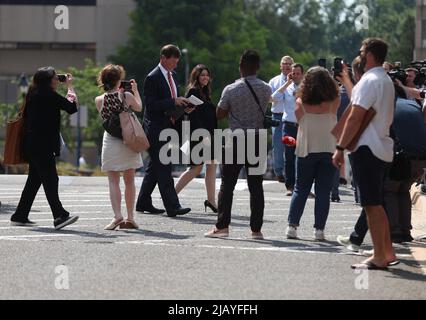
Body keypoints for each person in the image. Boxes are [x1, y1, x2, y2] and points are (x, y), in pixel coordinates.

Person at [332, 38, 397, 270]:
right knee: (376, 203)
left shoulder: (370, 80)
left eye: (362, 52)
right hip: (382, 146)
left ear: (369, 54)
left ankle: (380, 255)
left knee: (371, 205)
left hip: (366, 147)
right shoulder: (385, 79)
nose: (359, 55)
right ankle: (386, 251)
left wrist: (340, 147)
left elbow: (355, 116)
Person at [205, 49, 272, 239]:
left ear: (241, 67)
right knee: (256, 186)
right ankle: (256, 230)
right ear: (258, 67)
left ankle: (222, 226)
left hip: (235, 139)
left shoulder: (231, 89)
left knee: (228, 186)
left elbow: (219, 113)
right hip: (257, 139)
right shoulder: (266, 88)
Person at [10, 67, 79, 230]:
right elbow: (72, 108)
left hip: (32, 144)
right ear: (49, 81)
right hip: (42, 146)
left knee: (34, 180)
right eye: (55, 78)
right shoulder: (49, 95)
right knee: (50, 179)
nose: (58, 80)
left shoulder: (33, 93)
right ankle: (59, 215)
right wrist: (70, 86)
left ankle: (20, 214)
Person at [135, 44, 191, 217]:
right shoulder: (152, 77)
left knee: (155, 167)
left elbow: (174, 100)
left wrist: (183, 107)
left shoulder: (173, 75)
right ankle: (173, 206)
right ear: (163, 58)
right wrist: (173, 102)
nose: (175, 64)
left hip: (169, 125)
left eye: (177, 61)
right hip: (155, 128)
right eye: (173, 61)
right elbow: (151, 106)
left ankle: (143, 201)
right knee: (164, 167)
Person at [285, 67, 339, 241]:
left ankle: (292, 226)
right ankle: (319, 231)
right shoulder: (334, 101)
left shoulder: (301, 102)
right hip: (329, 148)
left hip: (306, 148)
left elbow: (299, 120)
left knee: (300, 189)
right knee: (323, 192)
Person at [95, 64, 143, 230]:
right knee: (129, 181)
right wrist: (135, 90)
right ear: (118, 80)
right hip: (128, 139)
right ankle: (130, 218)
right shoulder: (126, 96)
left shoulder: (99, 100)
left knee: (113, 181)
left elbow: (106, 117)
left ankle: (117, 216)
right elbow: (139, 107)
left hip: (110, 141)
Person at [175, 64, 218, 212]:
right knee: (196, 168)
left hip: (208, 134)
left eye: (207, 75)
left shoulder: (205, 92)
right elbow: (189, 114)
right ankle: (172, 196)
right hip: (198, 134)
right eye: (202, 75)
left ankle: (212, 200)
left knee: (211, 165)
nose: (205, 77)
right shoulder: (193, 91)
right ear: (196, 77)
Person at [272, 63, 304, 196]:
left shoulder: (307, 88)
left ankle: (301, 185)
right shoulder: (287, 88)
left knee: (302, 157)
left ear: (302, 74)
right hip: (289, 126)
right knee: (289, 156)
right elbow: (273, 98)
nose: (296, 75)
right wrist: (287, 83)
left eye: (298, 73)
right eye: (293, 73)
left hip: (302, 127)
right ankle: (290, 186)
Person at [269, 56, 294, 183]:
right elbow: (271, 99)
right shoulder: (273, 81)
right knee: (278, 146)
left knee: (291, 145)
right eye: (285, 63)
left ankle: (291, 171)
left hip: (291, 117)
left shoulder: (298, 82)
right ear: (280, 66)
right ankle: (279, 172)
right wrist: (286, 84)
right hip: (278, 116)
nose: (287, 66)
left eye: (290, 64)